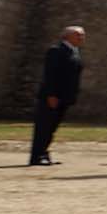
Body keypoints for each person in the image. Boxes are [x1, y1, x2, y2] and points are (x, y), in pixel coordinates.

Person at [28, 25, 85, 166]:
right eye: (78, 35)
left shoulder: (75, 52)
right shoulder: (56, 51)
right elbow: (50, 75)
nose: (82, 38)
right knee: (44, 126)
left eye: (82, 35)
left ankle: (44, 153)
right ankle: (37, 156)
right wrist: (51, 94)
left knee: (52, 127)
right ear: (67, 36)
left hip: (64, 97)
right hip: (53, 97)